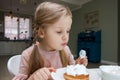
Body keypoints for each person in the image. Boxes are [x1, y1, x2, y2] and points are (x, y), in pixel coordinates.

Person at [13, 1, 88, 80]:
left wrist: (78, 66)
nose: (65, 37)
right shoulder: (28, 55)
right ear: (42, 32)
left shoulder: (66, 50)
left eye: (68, 31)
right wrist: (32, 78)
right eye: (59, 32)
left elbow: (72, 69)